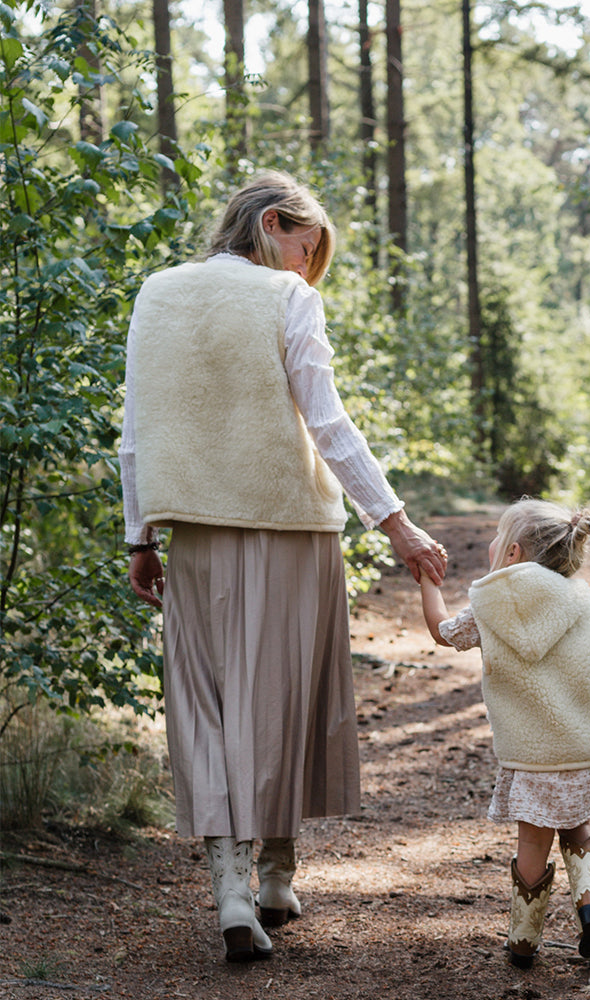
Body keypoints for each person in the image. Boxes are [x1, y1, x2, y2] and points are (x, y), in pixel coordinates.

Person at [118, 171, 448, 963]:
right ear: (272, 224)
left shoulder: (156, 293)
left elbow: (134, 428)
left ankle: (237, 887)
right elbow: (327, 421)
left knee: (208, 702)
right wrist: (396, 524)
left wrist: (139, 536)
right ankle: (273, 873)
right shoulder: (285, 298)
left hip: (192, 534)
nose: (306, 269)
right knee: (282, 698)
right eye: (306, 249)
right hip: (291, 529)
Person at [418, 498, 590, 968]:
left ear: (511, 553)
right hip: (579, 748)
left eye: (496, 536)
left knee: (533, 843)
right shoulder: (582, 600)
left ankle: (524, 940)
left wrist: (431, 584)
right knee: (578, 827)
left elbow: (442, 632)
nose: (490, 543)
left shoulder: (489, 606)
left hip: (529, 756)